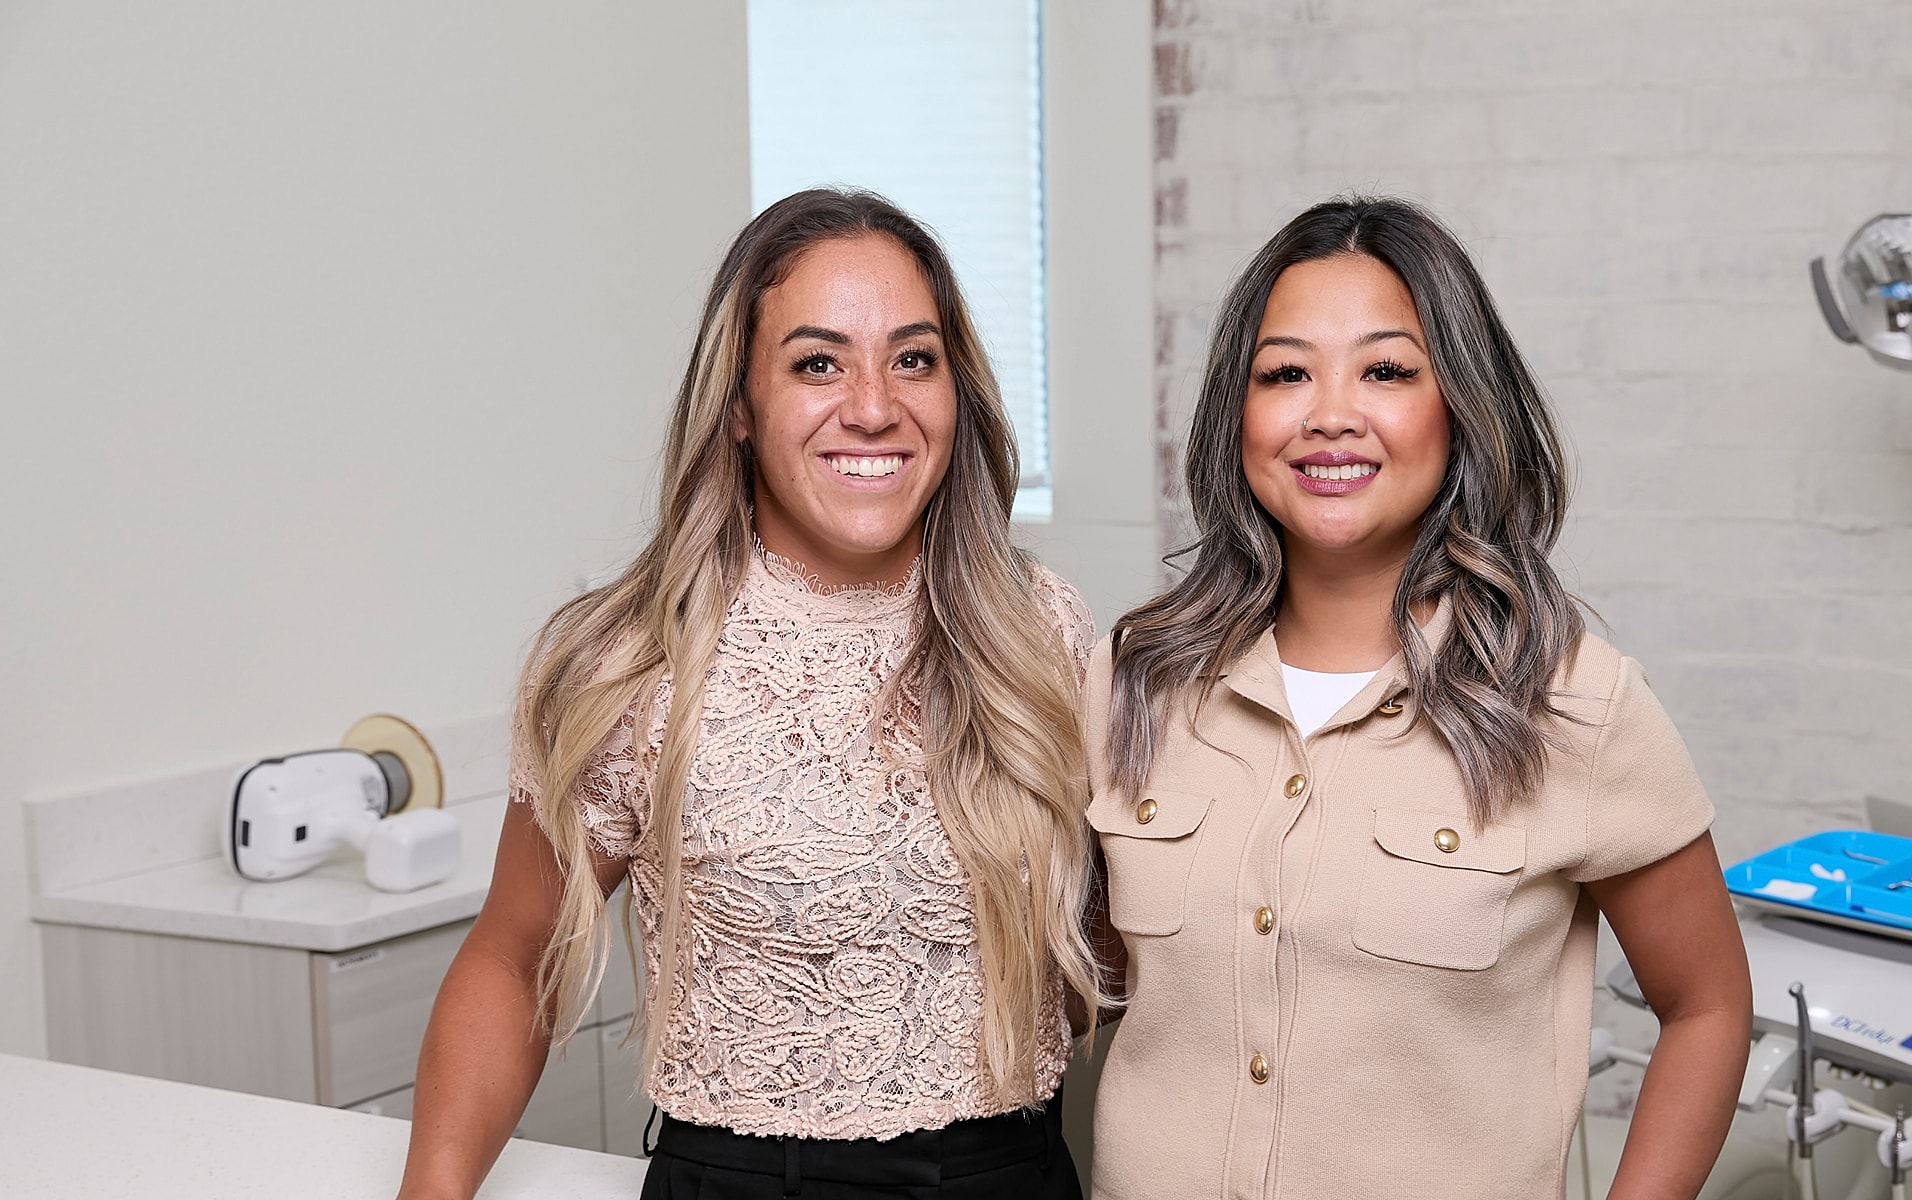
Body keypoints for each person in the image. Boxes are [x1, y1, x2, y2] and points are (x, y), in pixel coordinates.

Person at [396, 188, 1100, 1200]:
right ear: (738, 405)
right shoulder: (630, 660)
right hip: (738, 1183)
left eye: (914, 358)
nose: (873, 404)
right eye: (818, 361)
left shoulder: (1043, 630)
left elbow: (1121, 946)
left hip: (1009, 1175)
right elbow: (513, 959)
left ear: (958, 391)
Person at [1086, 196, 1752, 1199]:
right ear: (1239, 414)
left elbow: (1706, 1006)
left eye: (1386, 370)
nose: (1330, 414)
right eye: (1285, 374)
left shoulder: (1574, 703)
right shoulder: (1131, 677)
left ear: (1459, 406)